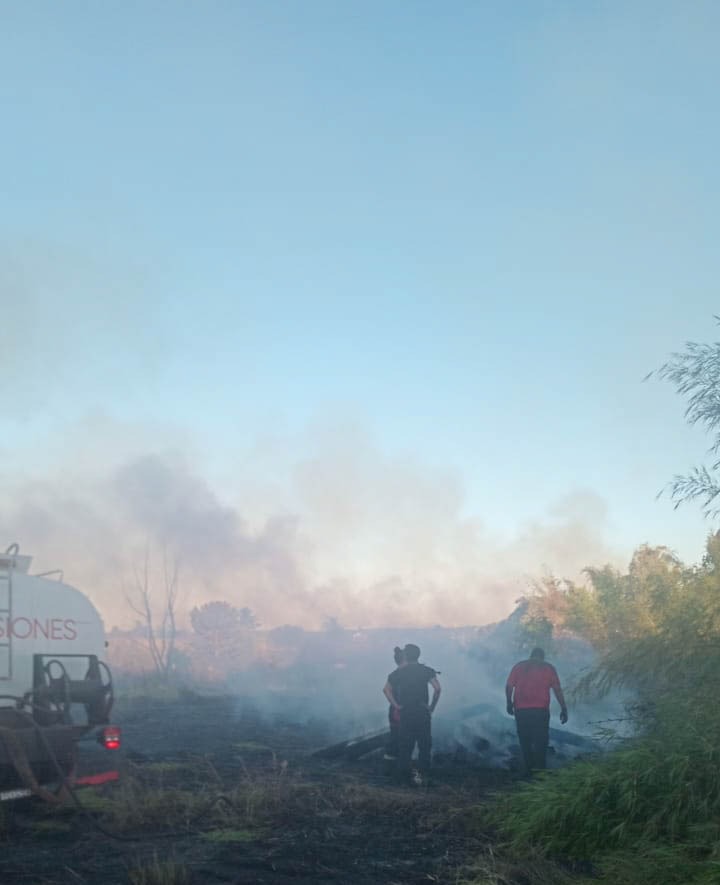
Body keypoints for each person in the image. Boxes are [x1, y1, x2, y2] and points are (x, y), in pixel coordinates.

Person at [505, 647, 568, 775]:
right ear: (542, 657)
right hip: (540, 711)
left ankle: (529, 770)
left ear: (531, 655)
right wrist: (563, 708)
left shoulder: (519, 667)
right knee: (541, 740)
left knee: (525, 740)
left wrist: (509, 703)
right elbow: (557, 689)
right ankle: (540, 772)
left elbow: (509, 686)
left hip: (521, 711)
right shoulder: (548, 668)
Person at [384, 643, 441, 785]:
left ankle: (403, 779)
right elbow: (438, 689)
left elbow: (386, 690)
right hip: (422, 712)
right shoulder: (426, 671)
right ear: (418, 655)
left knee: (405, 746)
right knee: (425, 745)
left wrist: (396, 705)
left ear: (406, 656)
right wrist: (431, 707)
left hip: (406, 713)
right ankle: (424, 776)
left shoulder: (398, 673)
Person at [382, 647, 406, 760]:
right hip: (398, 711)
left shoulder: (393, 675)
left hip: (395, 710)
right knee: (397, 736)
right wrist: (397, 706)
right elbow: (386, 690)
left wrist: (395, 706)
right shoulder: (398, 675)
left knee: (396, 734)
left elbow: (386, 690)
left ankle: (393, 759)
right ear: (404, 660)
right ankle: (391, 761)